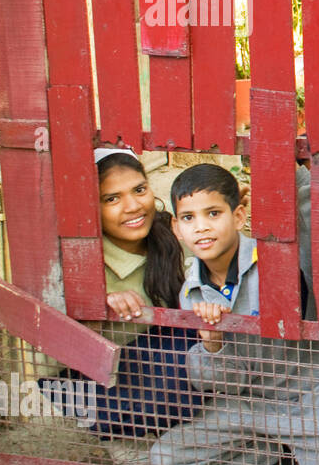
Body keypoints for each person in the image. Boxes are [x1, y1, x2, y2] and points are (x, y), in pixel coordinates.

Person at [148, 163, 319, 465]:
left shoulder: (277, 257)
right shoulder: (190, 292)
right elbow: (220, 383)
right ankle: (281, 449)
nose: (201, 227)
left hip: (314, 391)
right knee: (166, 459)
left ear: (239, 216)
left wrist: (292, 169)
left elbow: (313, 229)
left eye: (214, 214)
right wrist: (212, 345)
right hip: (250, 407)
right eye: (189, 218)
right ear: (177, 228)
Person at [43, 148, 202, 438]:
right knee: (185, 353)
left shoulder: (171, 232)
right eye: (112, 199)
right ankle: (124, 438)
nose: (133, 207)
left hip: (153, 365)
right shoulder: (76, 258)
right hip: (92, 385)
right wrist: (95, 302)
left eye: (139, 190)